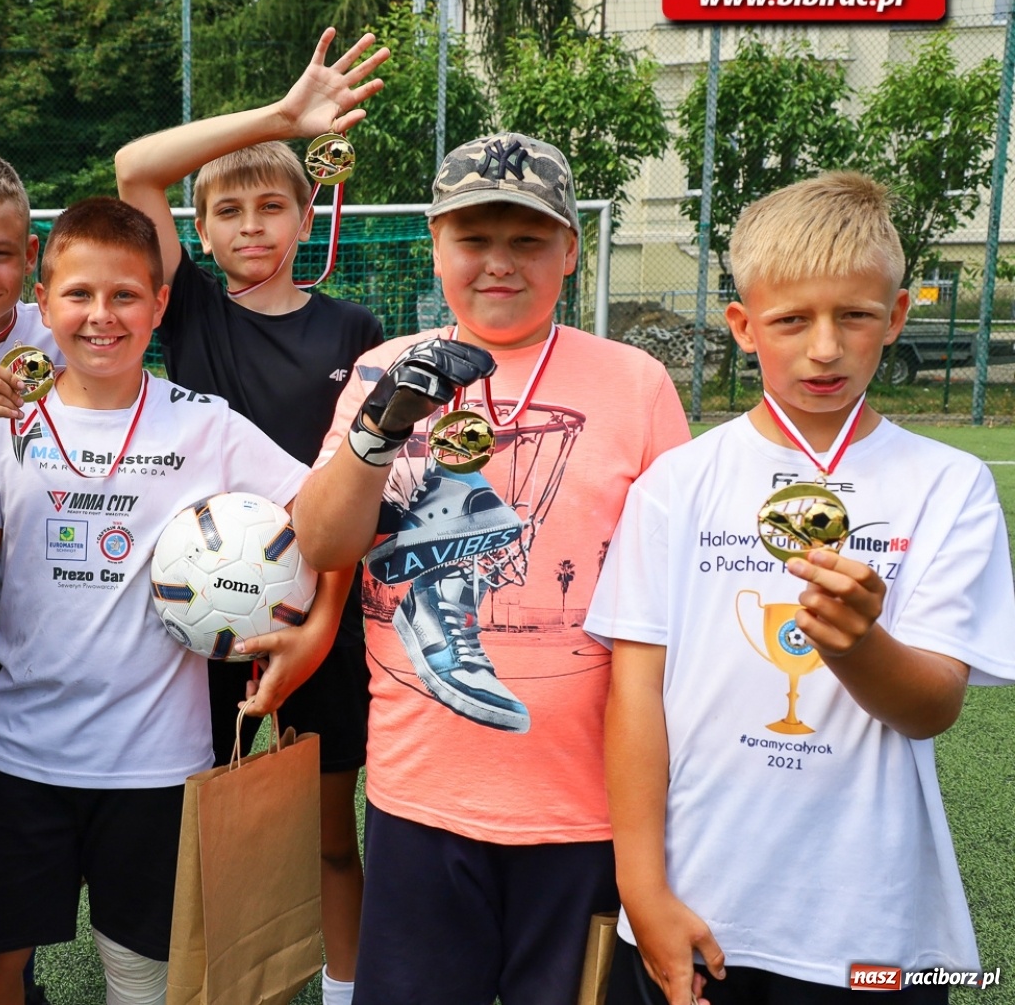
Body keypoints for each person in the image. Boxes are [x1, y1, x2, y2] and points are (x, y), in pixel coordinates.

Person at [586, 171, 1015, 1005]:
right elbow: (635, 691)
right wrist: (641, 886)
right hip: (700, 904)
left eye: (855, 316)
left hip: (871, 923)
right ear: (743, 326)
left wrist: (859, 645)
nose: (825, 348)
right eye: (791, 320)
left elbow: (931, 706)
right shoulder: (677, 483)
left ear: (896, 316)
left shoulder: (949, 486)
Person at [293, 132, 690, 1004]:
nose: (500, 263)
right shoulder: (381, 367)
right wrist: (380, 425)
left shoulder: (636, 384)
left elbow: (675, 600)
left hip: (587, 810)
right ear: (436, 247)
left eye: (528, 240)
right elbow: (321, 542)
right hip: (421, 798)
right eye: (474, 239)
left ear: (571, 250)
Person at [0, 197, 312, 1005]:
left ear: (160, 303)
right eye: (78, 294)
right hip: (25, 754)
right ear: (44, 303)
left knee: (145, 976)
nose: (101, 315)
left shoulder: (204, 424)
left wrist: (305, 627)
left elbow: (316, 517)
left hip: (158, 763)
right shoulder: (6, 424)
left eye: (125, 295)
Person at [114, 25, 388, 1005]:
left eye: (272, 205)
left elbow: (357, 488)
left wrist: (320, 622)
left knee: (327, 830)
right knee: (213, 822)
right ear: (199, 230)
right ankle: (223, 981)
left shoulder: (353, 328)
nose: (251, 226)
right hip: (201, 617)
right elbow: (135, 168)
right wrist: (280, 118)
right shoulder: (186, 306)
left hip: (325, 615)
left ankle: (345, 988)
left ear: (307, 215)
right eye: (226, 210)